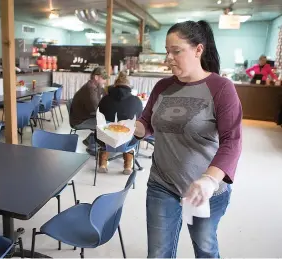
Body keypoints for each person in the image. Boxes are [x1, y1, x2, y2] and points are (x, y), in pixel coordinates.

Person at [134, 20, 242, 258]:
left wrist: (209, 180)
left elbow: (232, 141)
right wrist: (128, 128)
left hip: (204, 191)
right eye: (167, 51)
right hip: (162, 185)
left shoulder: (221, 88)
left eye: (176, 51)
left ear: (198, 49)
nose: (168, 58)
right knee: (158, 253)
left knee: (205, 249)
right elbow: (147, 124)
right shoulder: (162, 86)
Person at [97, 71, 142, 175]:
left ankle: (102, 164)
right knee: (131, 133)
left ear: (114, 85)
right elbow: (140, 119)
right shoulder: (136, 100)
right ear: (129, 86)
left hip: (106, 141)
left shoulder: (104, 99)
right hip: (127, 142)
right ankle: (127, 166)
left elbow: (99, 118)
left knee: (107, 133)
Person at [70, 67, 107, 149]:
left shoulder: (94, 86)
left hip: (84, 116)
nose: (105, 81)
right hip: (79, 121)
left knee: (104, 119)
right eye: (103, 79)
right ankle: (97, 145)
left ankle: (91, 139)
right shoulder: (90, 89)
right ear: (96, 77)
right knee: (105, 122)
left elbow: (104, 93)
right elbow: (96, 109)